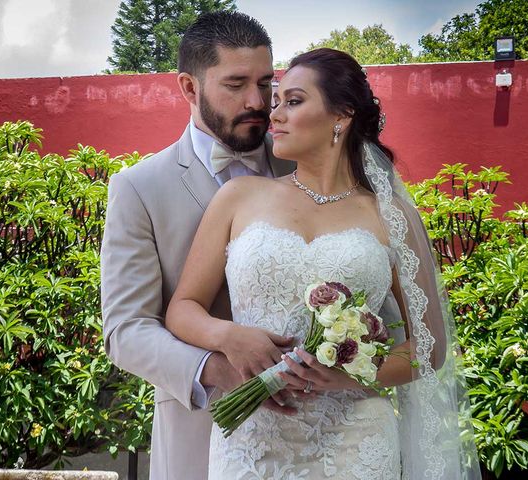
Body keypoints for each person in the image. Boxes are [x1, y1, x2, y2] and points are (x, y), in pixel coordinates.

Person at [165, 48, 481, 479]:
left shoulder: (389, 215)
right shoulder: (239, 198)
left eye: (293, 101)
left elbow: (428, 348)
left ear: (342, 114)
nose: (274, 114)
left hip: (358, 440)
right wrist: (231, 337)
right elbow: (182, 308)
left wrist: (349, 375)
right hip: (255, 439)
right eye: (276, 102)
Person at [100, 12, 299, 480]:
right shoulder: (138, 188)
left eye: (266, 82)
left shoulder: (305, 164)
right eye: (234, 84)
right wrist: (218, 368)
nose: (256, 101)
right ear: (189, 87)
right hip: (201, 436)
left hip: (317, 433)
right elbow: (125, 330)